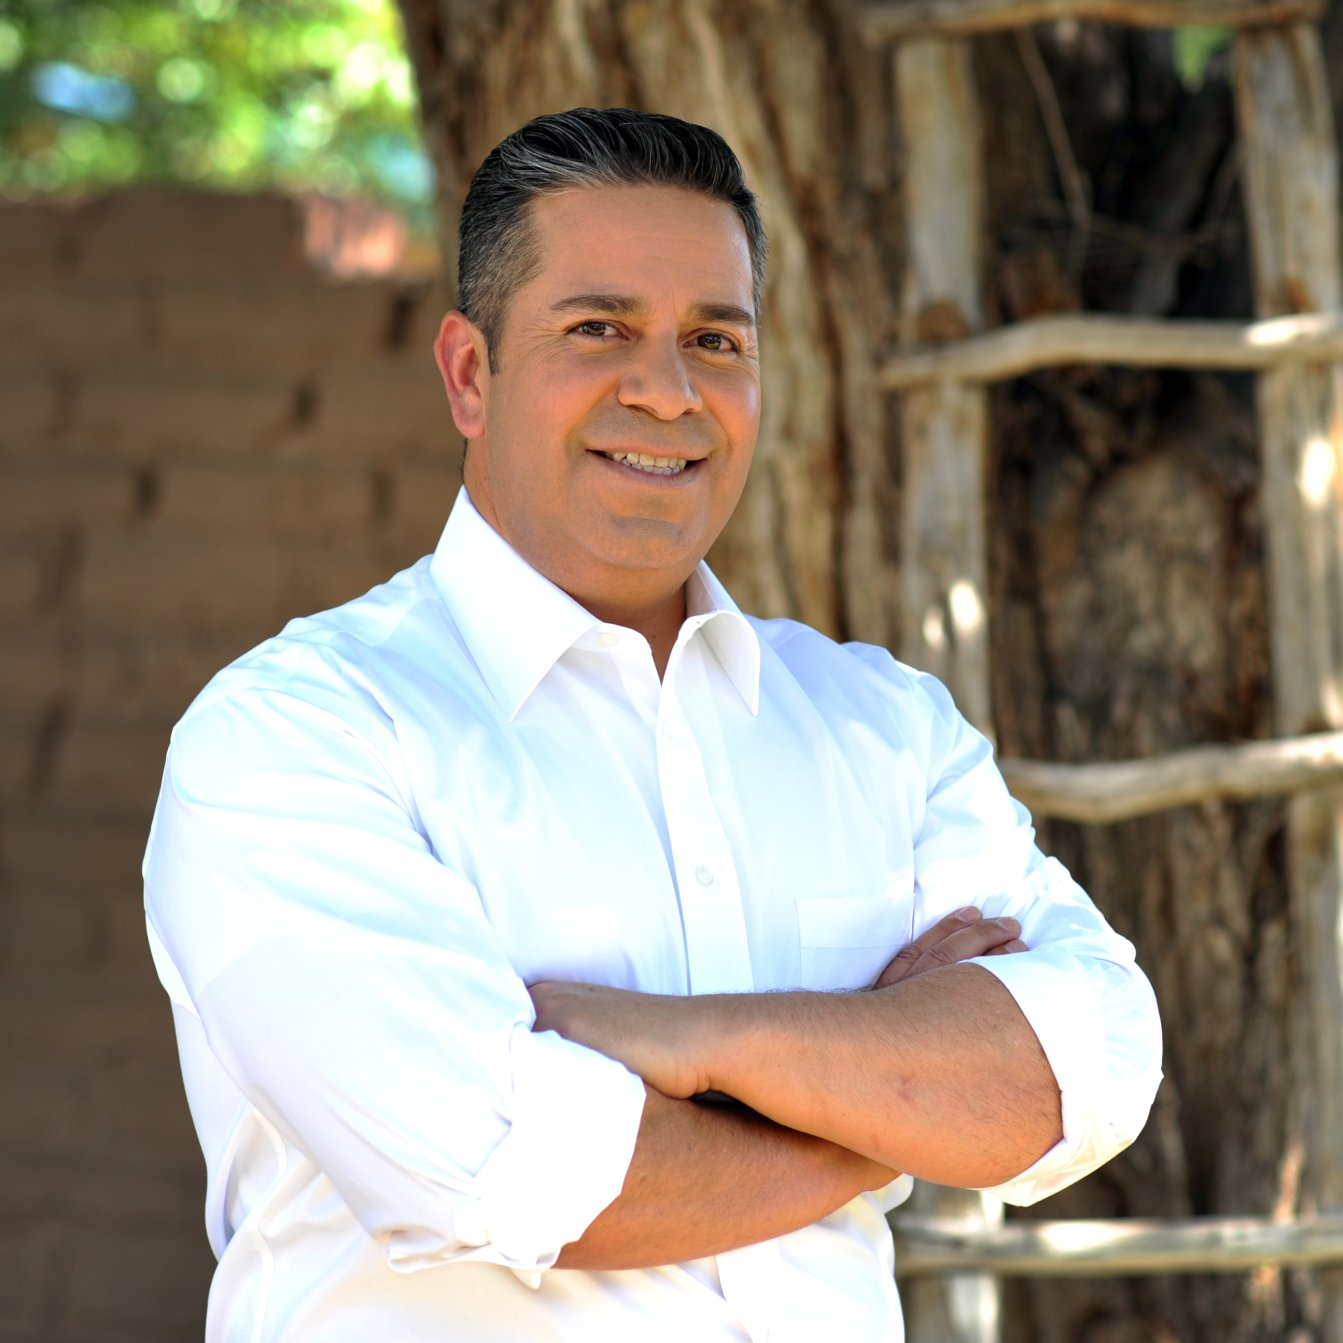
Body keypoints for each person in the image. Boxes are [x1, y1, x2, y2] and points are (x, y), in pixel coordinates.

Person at [143, 107, 1162, 1342]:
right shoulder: (297, 738)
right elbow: (525, 1174)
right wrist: (891, 1100)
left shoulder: (882, 728)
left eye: (713, 338)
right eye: (598, 328)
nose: (667, 390)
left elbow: (1092, 1065)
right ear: (470, 374)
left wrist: (680, 1040)